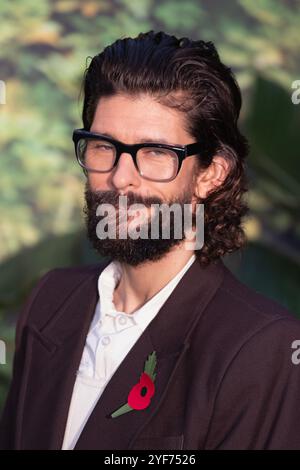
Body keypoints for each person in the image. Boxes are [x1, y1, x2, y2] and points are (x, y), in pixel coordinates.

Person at [1, 30, 300, 450]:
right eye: (104, 146)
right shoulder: (52, 299)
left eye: (156, 152)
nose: (121, 177)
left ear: (210, 174)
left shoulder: (262, 347)